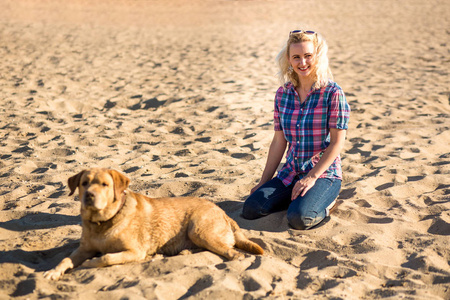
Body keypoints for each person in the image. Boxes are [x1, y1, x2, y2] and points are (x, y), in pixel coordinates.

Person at [242, 30, 350, 230]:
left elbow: (337, 143)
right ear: (289, 60)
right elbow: (278, 142)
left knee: (299, 218)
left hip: (323, 174)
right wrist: (263, 182)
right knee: (251, 209)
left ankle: (324, 201)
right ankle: (297, 197)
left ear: (317, 56)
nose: (303, 63)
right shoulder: (283, 94)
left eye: (308, 56)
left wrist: (311, 177)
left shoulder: (333, 93)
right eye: (296, 57)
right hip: (291, 172)